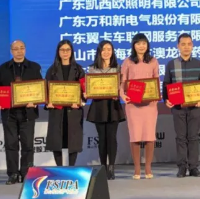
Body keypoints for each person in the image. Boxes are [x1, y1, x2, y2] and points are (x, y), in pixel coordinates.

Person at [0, 40, 42, 185]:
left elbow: (40, 89)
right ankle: (13, 174)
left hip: (28, 112)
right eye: (16, 49)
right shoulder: (3, 68)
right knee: (11, 144)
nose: (19, 51)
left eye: (22, 48)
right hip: (9, 113)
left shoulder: (34, 67)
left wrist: (36, 101)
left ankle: (26, 173)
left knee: (28, 145)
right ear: (11, 51)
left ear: (25, 50)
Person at [163, 33, 200, 178]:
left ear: (192, 45)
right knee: (181, 137)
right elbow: (166, 84)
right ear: (178, 46)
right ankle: (182, 167)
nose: (186, 47)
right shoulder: (171, 64)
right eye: (183, 44)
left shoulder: (199, 63)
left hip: (195, 107)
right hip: (178, 107)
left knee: (193, 137)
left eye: (189, 44)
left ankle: (193, 167)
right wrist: (166, 99)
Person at [120, 33, 160, 180]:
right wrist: (123, 96)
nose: (141, 46)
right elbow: (123, 82)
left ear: (147, 45)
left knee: (149, 136)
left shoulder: (153, 61)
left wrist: (156, 96)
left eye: (144, 43)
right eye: (138, 43)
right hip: (133, 104)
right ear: (134, 45)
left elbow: (156, 80)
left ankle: (148, 167)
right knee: (135, 136)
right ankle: (137, 168)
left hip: (150, 105)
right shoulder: (128, 62)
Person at [87, 40, 125, 180]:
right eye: (104, 49)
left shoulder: (118, 68)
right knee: (102, 138)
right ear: (99, 51)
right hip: (98, 106)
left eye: (109, 49)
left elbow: (121, 87)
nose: (107, 52)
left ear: (113, 52)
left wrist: (118, 93)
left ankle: (111, 167)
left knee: (112, 137)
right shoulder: (92, 69)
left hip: (113, 106)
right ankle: (103, 166)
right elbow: (90, 88)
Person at [45, 40, 85, 167]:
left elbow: (84, 90)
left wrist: (80, 101)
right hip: (57, 111)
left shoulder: (79, 69)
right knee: (57, 141)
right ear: (58, 52)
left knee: (73, 141)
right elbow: (45, 90)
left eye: (68, 50)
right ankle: (59, 168)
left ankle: (71, 168)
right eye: (62, 50)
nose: (65, 52)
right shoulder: (52, 70)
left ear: (72, 51)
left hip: (73, 111)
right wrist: (47, 102)